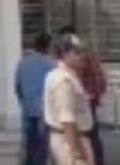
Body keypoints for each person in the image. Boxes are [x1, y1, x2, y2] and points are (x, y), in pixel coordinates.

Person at [55, 26, 107, 165]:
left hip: (83, 99)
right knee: (91, 134)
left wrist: (90, 95)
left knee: (86, 133)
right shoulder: (86, 54)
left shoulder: (79, 57)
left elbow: (98, 78)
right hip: (86, 98)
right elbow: (101, 79)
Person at [44, 33, 96, 164]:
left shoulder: (67, 76)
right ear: (65, 54)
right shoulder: (63, 80)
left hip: (71, 138)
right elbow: (67, 119)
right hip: (69, 139)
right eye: (77, 52)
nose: (82, 56)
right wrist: (78, 152)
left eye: (83, 51)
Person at [15, 33, 56, 165]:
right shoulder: (51, 65)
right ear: (48, 47)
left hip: (28, 107)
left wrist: (23, 101)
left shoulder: (23, 63)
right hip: (44, 110)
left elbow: (18, 87)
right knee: (42, 145)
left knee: (29, 143)